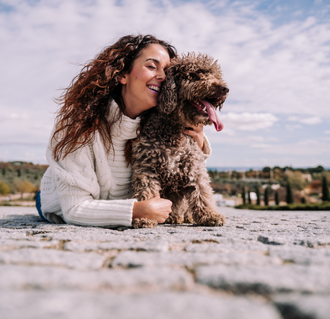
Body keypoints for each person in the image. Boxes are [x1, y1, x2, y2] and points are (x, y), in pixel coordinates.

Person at [37, 34, 212, 227]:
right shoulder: (78, 122)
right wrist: (137, 211)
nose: (162, 77)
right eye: (152, 66)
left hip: (114, 204)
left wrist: (200, 144)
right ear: (122, 74)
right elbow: (74, 209)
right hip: (61, 200)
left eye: (168, 72)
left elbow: (181, 172)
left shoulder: (163, 122)